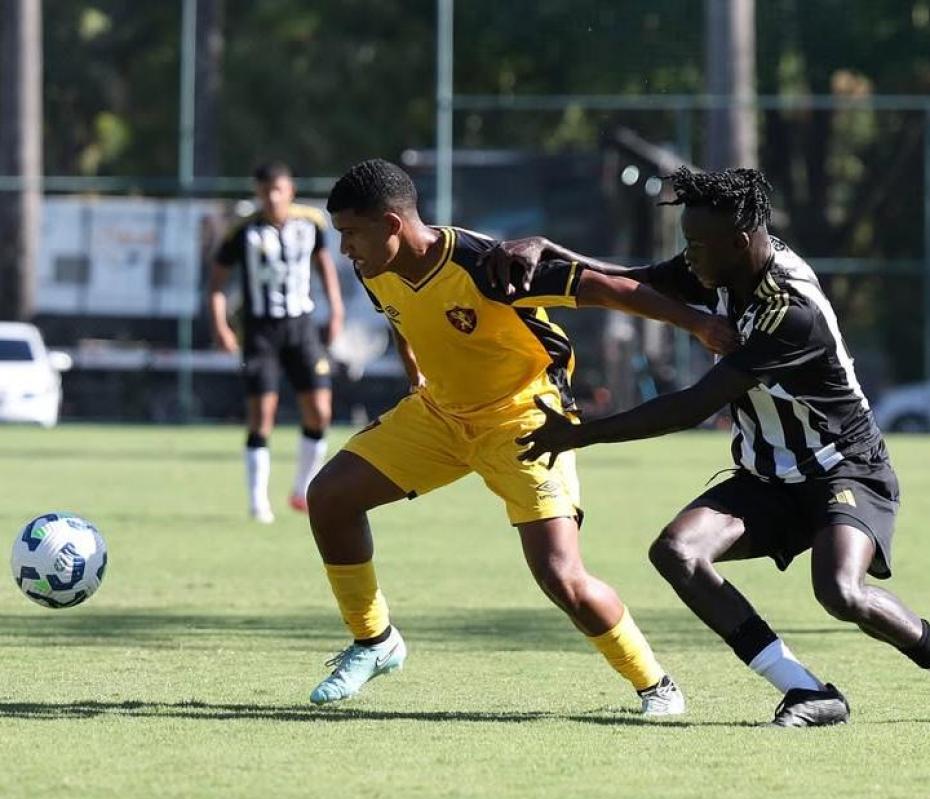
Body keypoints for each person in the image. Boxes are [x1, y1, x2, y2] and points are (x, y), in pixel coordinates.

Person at [487, 165, 930, 727]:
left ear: (740, 242)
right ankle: (805, 690)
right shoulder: (723, 266)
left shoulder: (789, 312)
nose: (688, 255)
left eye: (696, 244)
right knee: (677, 552)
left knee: (841, 592)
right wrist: (550, 249)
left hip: (843, 468)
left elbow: (694, 405)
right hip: (768, 478)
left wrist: (580, 432)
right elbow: (638, 279)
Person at [303, 158, 739, 711]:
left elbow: (607, 289)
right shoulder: (376, 266)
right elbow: (401, 317)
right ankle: (375, 641)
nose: (345, 248)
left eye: (351, 234)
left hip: (526, 420)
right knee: (330, 497)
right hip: (439, 414)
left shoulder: (488, 265)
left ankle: (656, 684)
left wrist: (698, 324)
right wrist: (415, 374)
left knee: (561, 576)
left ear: (392, 225)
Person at [209, 160, 346, 523]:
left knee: (320, 411)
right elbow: (217, 283)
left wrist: (336, 311)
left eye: (278, 190)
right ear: (257, 193)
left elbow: (325, 267)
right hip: (260, 331)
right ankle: (258, 503)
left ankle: (302, 489)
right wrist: (221, 325)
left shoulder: (311, 223)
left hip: (301, 327)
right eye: (265, 191)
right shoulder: (243, 231)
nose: (272, 198)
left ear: (290, 191)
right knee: (262, 416)